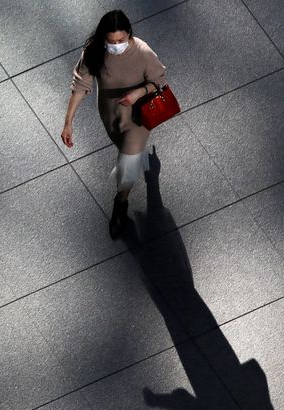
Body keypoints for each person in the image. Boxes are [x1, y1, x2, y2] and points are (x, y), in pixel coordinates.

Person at [61, 9, 168, 239]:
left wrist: (138, 92)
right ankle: (145, 165)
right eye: (111, 42)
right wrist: (68, 122)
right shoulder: (94, 51)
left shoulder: (142, 51)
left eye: (121, 40)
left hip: (137, 117)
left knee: (128, 161)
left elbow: (159, 80)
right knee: (126, 151)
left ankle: (120, 203)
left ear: (129, 34)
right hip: (110, 113)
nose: (117, 45)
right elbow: (80, 85)